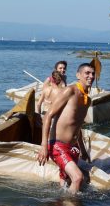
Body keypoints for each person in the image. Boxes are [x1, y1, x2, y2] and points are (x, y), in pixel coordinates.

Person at [37, 63, 95, 194]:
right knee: (78, 177)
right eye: (87, 73)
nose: (91, 76)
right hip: (58, 145)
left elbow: (77, 125)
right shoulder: (70, 91)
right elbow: (47, 116)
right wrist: (44, 146)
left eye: (93, 73)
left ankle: (59, 201)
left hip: (73, 147)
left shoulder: (88, 100)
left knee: (66, 182)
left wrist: (83, 150)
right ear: (78, 75)